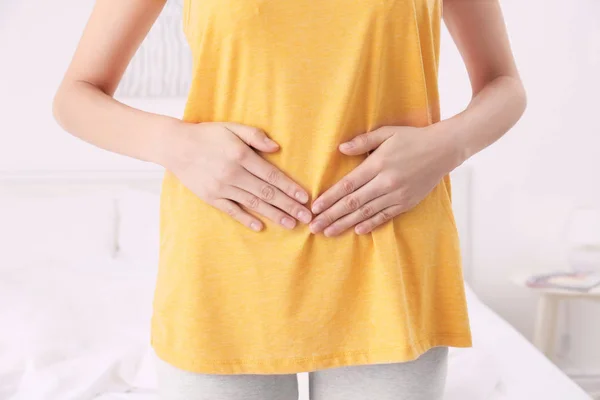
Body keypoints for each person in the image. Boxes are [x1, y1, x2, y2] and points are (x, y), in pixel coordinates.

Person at [53, 0, 526, 398]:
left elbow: (504, 83)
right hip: (225, 264)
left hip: (386, 257)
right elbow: (75, 96)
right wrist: (174, 144)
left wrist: (449, 144)